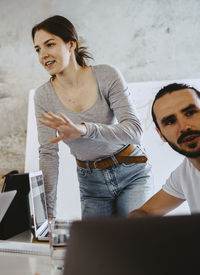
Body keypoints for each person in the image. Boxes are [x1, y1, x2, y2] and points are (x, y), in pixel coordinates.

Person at [32, 15, 153, 219]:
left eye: (49, 44)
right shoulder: (43, 96)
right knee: (97, 248)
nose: (43, 54)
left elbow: (134, 131)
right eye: (37, 49)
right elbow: (48, 154)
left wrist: (84, 129)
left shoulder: (107, 75)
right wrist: (48, 215)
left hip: (131, 172)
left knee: (136, 242)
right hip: (91, 183)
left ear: (71, 44)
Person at [128, 83, 200, 217]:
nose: (184, 127)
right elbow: (146, 212)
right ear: (161, 135)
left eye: (190, 113)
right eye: (170, 121)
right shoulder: (185, 172)